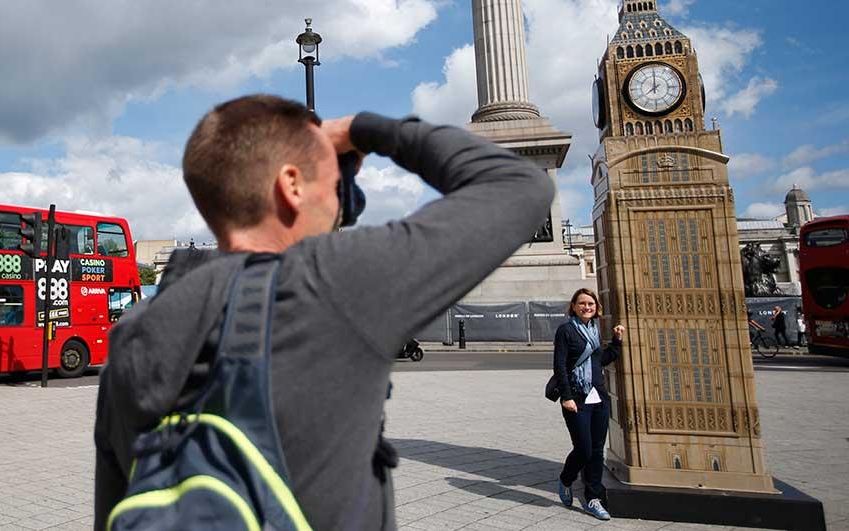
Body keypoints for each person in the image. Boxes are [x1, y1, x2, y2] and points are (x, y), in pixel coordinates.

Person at [93, 95, 554, 530]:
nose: (341, 201)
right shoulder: (332, 284)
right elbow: (521, 186)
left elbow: (113, 507)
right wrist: (364, 129)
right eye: (334, 183)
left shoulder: (133, 331)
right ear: (291, 185)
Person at [553, 288, 625, 522]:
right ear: (573, 306)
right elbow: (560, 366)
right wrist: (566, 396)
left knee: (596, 450)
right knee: (583, 448)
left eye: (591, 304)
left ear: (596, 308)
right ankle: (566, 478)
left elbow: (599, 361)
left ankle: (593, 497)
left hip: (598, 398)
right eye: (582, 303)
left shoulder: (595, 330)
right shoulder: (565, 331)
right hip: (576, 397)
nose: (587, 307)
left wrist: (616, 342)